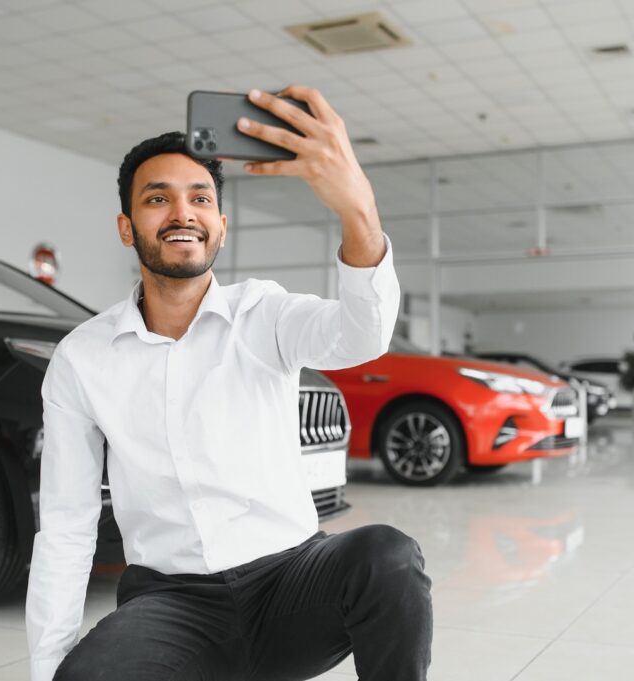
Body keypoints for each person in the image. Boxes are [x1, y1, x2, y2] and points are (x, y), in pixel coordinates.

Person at [25, 86, 432, 681]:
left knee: (388, 556)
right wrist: (49, 668)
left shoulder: (263, 313)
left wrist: (357, 209)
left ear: (221, 224)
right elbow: (66, 523)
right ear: (126, 225)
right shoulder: (81, 358)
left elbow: (361, 335)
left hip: (292, 585)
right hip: (170, 606)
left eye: (199, 198)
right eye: (157, 198)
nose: (181, 213)